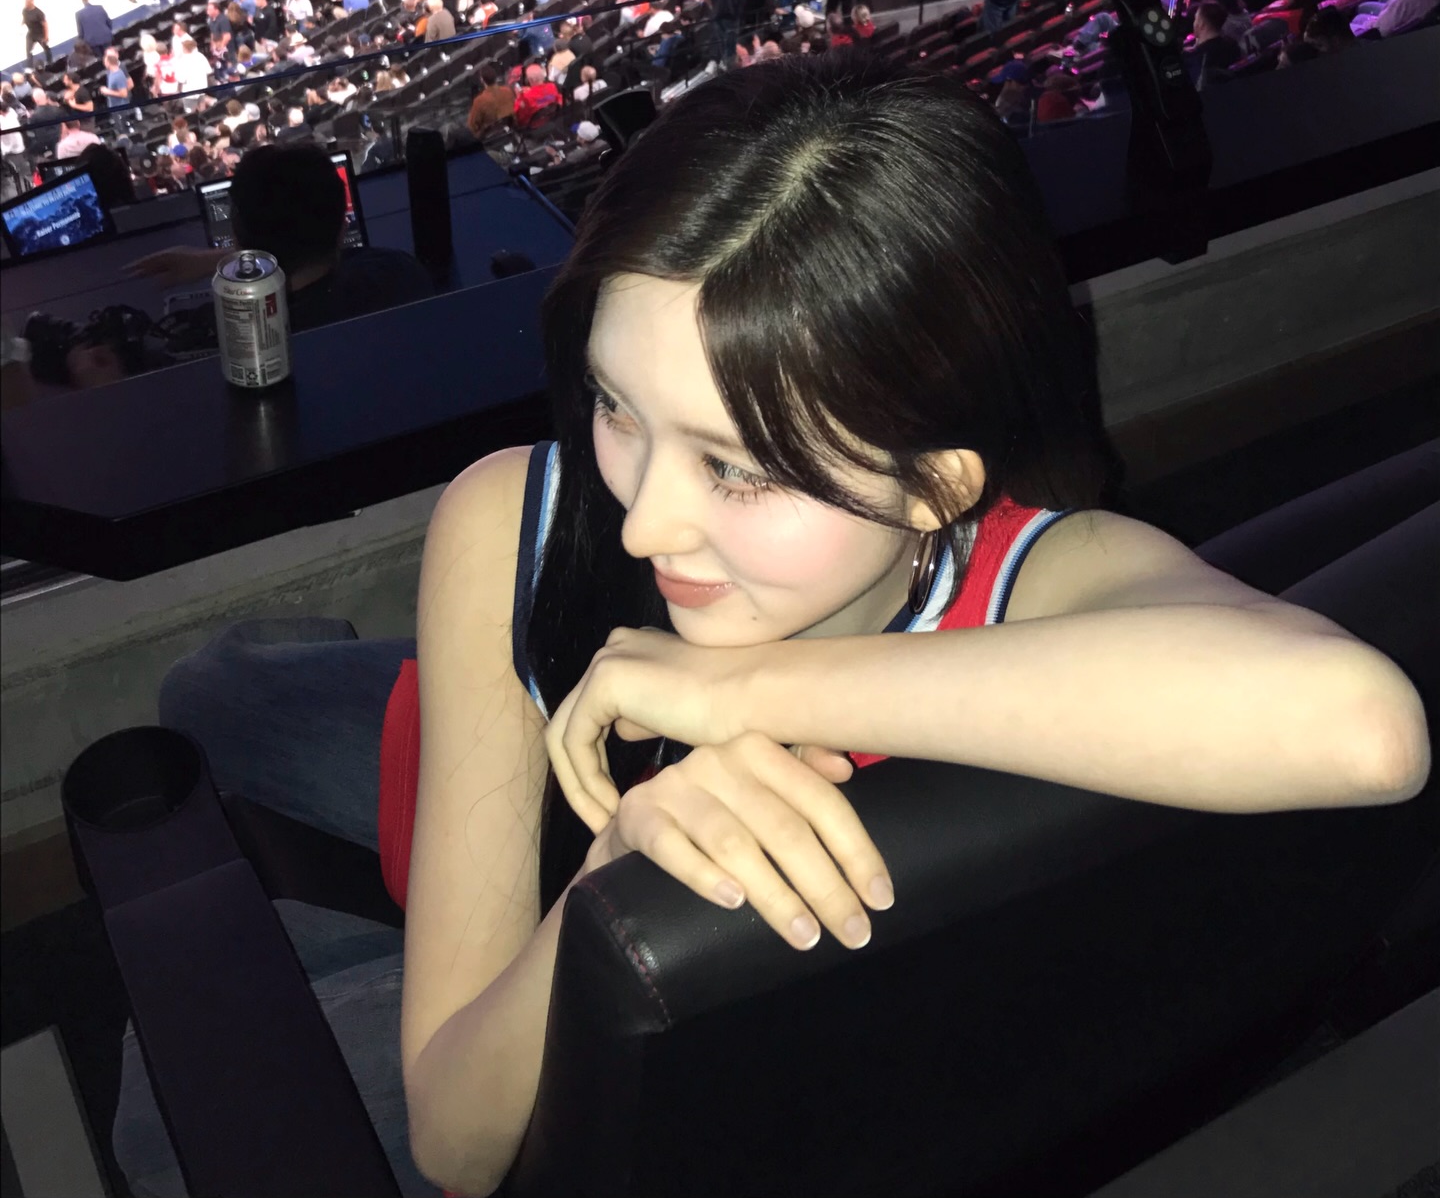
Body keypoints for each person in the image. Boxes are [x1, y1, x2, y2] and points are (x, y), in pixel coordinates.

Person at [111, 58, 1430, 1198]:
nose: (644, 523)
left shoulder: (1039, 568)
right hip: (495, 700)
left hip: (522, 835)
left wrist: (649, 826)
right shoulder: (515, 519)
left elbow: (1365, 728)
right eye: (615, 406)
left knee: (168, 990)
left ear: (937, 486)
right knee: (220, 691)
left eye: (737, 470)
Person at [126, 142, 436, 331]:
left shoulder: (241, 337)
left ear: (237, 237)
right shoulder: (399, 272)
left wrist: (223, 259)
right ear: (343, 227)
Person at [22, 0, 50, 67]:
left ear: (31, 2)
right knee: (28, 51)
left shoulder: (38, 13)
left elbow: (45, 25)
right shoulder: (24, 10)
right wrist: (22, 23)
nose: (26, 3)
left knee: (46, 48)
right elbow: (24, 18)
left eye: (27, 2)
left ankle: (50, 63)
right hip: (31, 34)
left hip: (40, 34)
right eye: (25, 1)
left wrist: (46, 36)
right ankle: (30, 68)